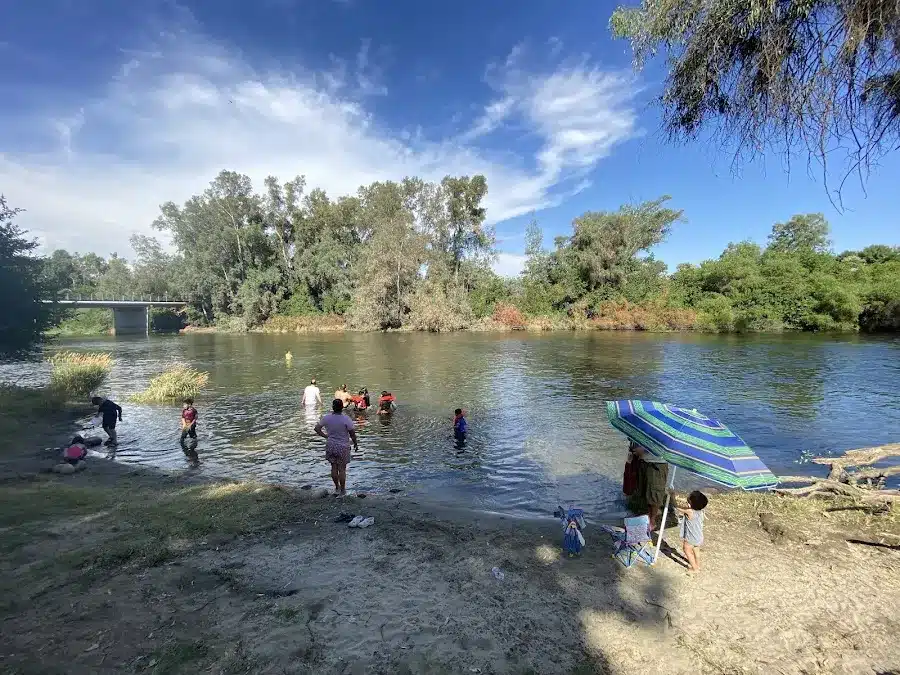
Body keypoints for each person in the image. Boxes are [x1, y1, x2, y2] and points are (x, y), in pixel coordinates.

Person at [314, 399, 359, 495]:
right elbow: (352, 434)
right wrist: (355, 444)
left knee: (333, 467)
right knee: (342, 469)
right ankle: (343, 490)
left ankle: (337, 488)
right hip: (343, 446)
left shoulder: (326, 418)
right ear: (342, 407)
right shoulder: (346, 419)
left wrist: (326, 436)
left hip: (331, 445)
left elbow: (317, 428)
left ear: (333, 407)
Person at [630, 444, 668, 532]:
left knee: (655, 493)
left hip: (657, 463)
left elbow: (664, 445)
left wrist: (644, 450)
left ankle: (652, 521)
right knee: (643, 491)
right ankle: (648, 516)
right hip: (643, 460)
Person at [673, 490, 708, 572]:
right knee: (696, 550)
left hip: (690, 538)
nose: (687, 503)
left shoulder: (690, 511)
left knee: (687, 550)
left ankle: (694, 568)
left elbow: (676, 506)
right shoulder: (701, 511)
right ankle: (698, 565)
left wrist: (672, 496)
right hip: (699, 536)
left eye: (688, 502)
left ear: (690, 504)